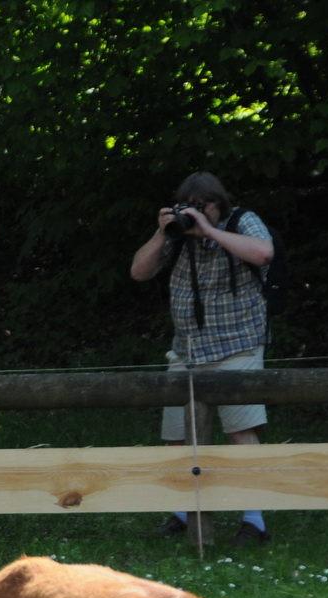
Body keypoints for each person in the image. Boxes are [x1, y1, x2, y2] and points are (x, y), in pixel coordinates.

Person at [130, 171, 275, 546]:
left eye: (202, 206)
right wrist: (164, 231)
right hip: (187, 351)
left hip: (238, 345)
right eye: (188, 206)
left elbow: (263, 253)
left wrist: (210, 232)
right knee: (177, 438)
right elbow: (139, 272)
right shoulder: (177, 235)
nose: (195, 213)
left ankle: (254, 520)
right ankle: (183, 511)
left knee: (241, 433)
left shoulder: (242, 221)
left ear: (218, 204)